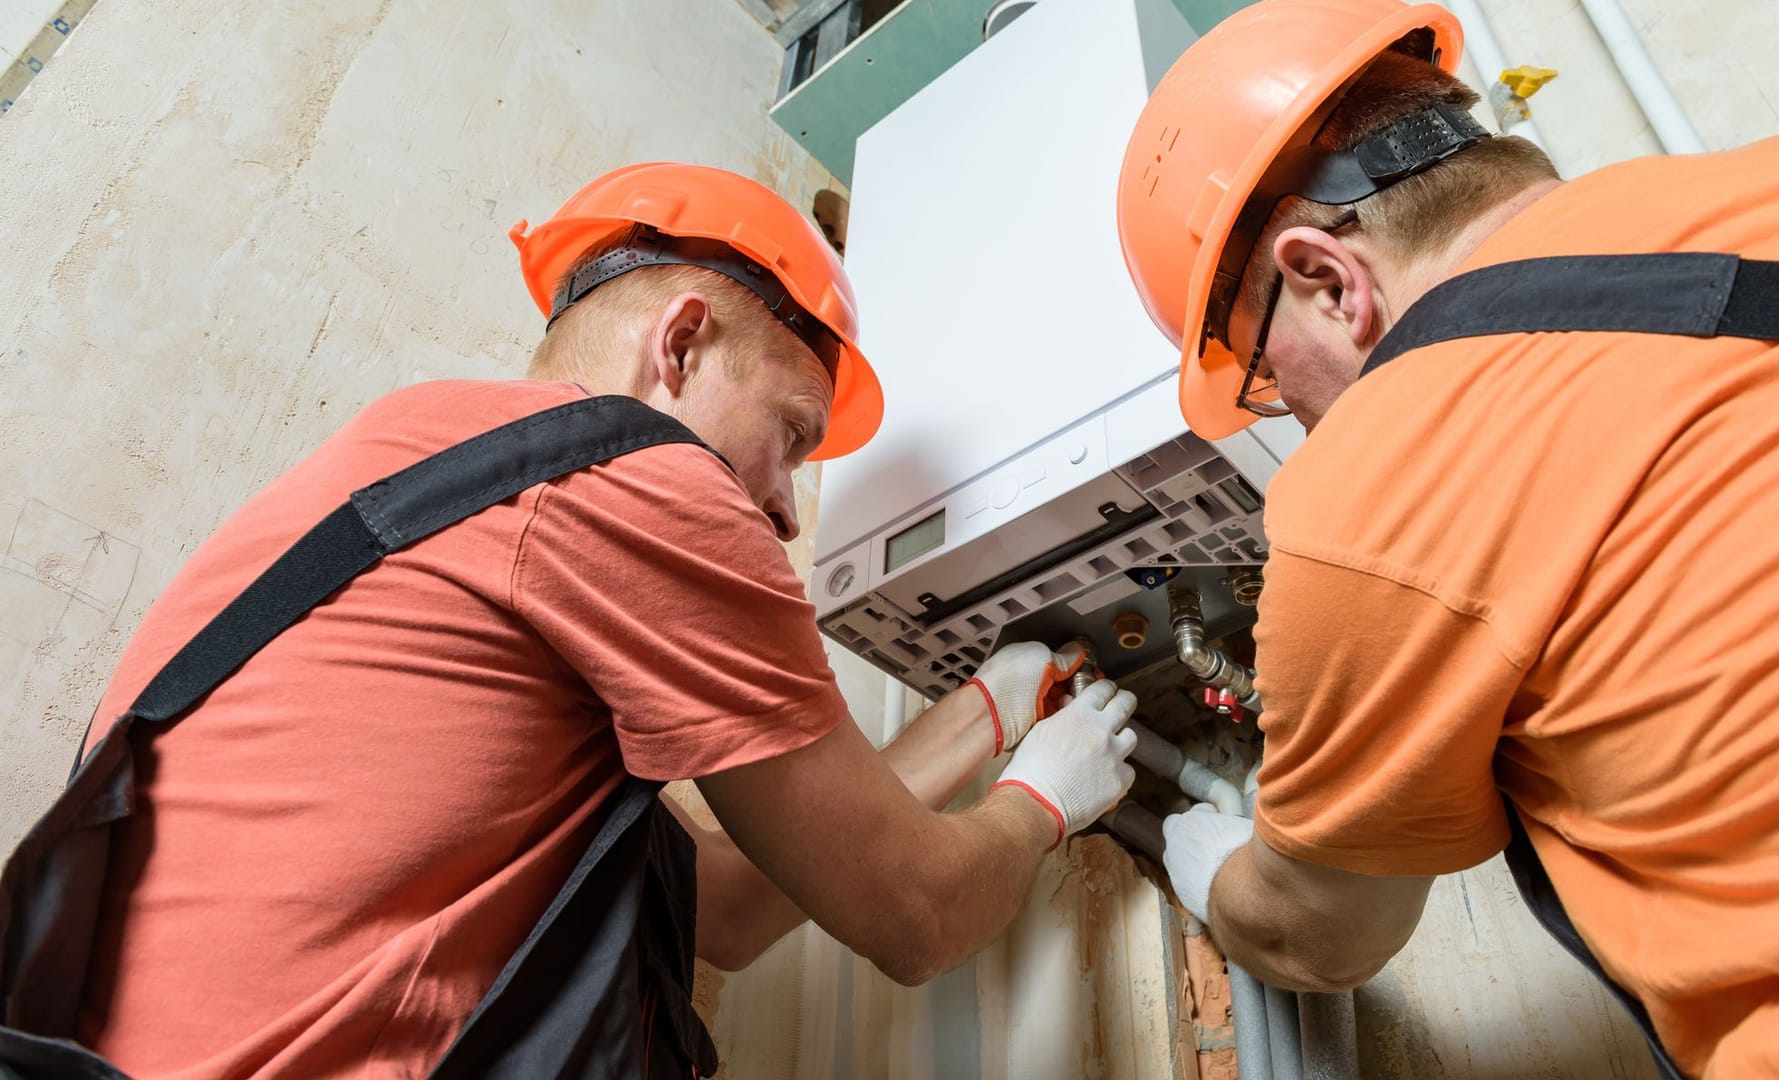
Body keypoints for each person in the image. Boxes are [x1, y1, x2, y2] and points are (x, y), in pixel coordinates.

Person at [31, 163, 1138, 1077]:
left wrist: (985, 716)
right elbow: (916, 917)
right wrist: (1049, 800)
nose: (783, 509)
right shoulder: (636, 478)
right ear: (682, 342)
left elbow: (731, 910)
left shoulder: (420, 475)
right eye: (793, 434)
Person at [1117, 1, 1779, 1076]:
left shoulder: (1366, 496)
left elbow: (1321, 932)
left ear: (1325, 279)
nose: (1295, 416)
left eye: (1266, 376)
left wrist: (1214, 868)